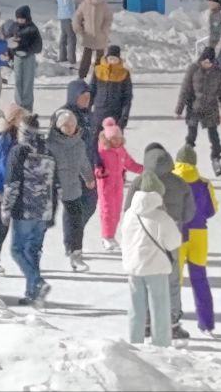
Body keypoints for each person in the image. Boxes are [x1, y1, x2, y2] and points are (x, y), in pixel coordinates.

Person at [124, 144, 197, 339]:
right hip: (168, 239)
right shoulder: (180, 183)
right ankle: (171, 323)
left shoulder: (138, 182)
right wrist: (177, 220)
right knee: (170, 283)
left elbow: (127, 210)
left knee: (140, 287)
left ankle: (144, 325)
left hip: (139, 242)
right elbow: (190, 213)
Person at [121, 171, 183, 348]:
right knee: (159, 309)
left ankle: (134, 344)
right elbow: (174, 242)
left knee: (136, 308)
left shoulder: (129, 214)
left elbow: (125, 239)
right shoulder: (161, 217)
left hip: (133, 267)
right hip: (155, 268)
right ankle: (161, 346)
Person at [2, 113, 59, 307]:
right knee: (32, 251)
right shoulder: (49, 152)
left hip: (24, 210)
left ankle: (38, 282)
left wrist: (6, 210)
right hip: (44, 210)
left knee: (17, 250)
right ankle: (33, 294)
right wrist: (52, 213)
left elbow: (12, 183)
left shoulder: (19, 151)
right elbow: (54, 186)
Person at [173, 145, 219, 336]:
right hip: (199, 234)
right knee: (200, 279)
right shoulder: (204, 184)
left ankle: (172, 323)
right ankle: (206, 324)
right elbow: (212, 210)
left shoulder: (170, 182)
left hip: (177, 234)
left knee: (174, 281)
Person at [50, 108, 96, 271]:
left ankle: (75, 253)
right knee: (43, 222)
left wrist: (89, 178)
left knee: (75, 219)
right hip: (51, 188)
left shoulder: (78, 143)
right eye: (65, 125)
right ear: (58, 126)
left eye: (72, 125)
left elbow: (83, 162)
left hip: (71, 187)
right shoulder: (50, 144)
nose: (69, 128)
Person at [0, 103, 28, 274]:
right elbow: (3, 165)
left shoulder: (17, 135)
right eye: (21, 118)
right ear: (14, 119)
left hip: (15, 186)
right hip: (3, 186)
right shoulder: (4, 138)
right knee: (2, 223)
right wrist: (9, 184)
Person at [175, 46, 221, 176]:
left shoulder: (218, 72)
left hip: (211, 108)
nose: (207, 65)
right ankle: (186, 161)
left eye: (209, 63)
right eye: (204, 62)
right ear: (201, 60)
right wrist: (179, 109)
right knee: (191, 136)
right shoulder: (193, 69)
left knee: (214, 137)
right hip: (194, 107)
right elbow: (185, 90)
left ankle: (216, 159)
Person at [96, 117, 142, 250]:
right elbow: (95, 166)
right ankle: (106, 237)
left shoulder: (121, 150)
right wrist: (100, 172)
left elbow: (130, 164)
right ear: (108, 139)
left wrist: (145, 169)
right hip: (106, 185)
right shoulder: (102, 151)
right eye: (114, 138)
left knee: (116, 211)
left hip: (118, 185)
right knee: (107, 211)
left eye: (119, 138)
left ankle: (111, 236)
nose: (117, 141)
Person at [89, 43, 134, 131]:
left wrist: (124, 117)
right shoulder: (98, 70)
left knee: (113, 138)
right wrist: (87, 109)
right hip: (98, 112)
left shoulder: (124, 73)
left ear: (119, 59)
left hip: (116, 113)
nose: (112, 61)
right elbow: (92, 90)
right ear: (106, 58)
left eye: (115, 59)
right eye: (110, 59)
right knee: (95, 137)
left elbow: (127, 97)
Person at [73, 0, 112, 79]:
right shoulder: (84, 5)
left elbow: (108, 18)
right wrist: (79, 28)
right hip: (88, 36)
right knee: (86, 57)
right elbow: (77, 17)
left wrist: (105, 29)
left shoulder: (103, 5)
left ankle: (99, 76)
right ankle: (82, 76)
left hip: (100, 36)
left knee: (100, 58)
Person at [8, 6, 42, 111]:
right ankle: (18, 105)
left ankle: (27, 107)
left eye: (22, 18)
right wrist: (12, 51)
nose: (20, 20)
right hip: (17, 57)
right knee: (18, 81)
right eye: (18, 18)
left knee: (27, 82)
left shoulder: (32, 29)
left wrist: (27, 50)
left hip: (28, 58)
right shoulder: (14, 27)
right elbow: (8, 41)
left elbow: (38, 46)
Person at [54, 0, 77, 66]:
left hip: (61, 15)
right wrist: (72, 15)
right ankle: (71, 59)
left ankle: (62, 56)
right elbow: (67, 2)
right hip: (68, 15)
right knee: (71, 37)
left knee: (64, 35)